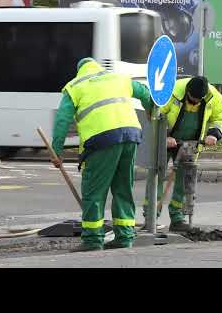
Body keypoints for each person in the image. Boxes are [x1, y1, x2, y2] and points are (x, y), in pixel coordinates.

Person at [51, 57, 152, 251]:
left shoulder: (75, 86)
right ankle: (124, 237)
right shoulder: (118, 78)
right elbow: (145, 93)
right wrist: (149, 112)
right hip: (131, 135)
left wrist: (57, 151)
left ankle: (92, 240)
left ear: (79, 71)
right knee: (123, 188)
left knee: (94, 192)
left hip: (101, 140)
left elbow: (62, 120)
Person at [143, 76, 222, 232]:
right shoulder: (173, 91)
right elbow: (154, 114)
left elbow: (221, 116)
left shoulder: (213, 95)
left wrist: (214, 134)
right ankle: (151, 217)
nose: (194, 103)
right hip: (167, 139)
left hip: (190, 143)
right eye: (191, 100)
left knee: (185, 180)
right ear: (187, 91)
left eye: (198, 101)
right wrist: (165, 135)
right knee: (157, 175)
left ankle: (177, 218)